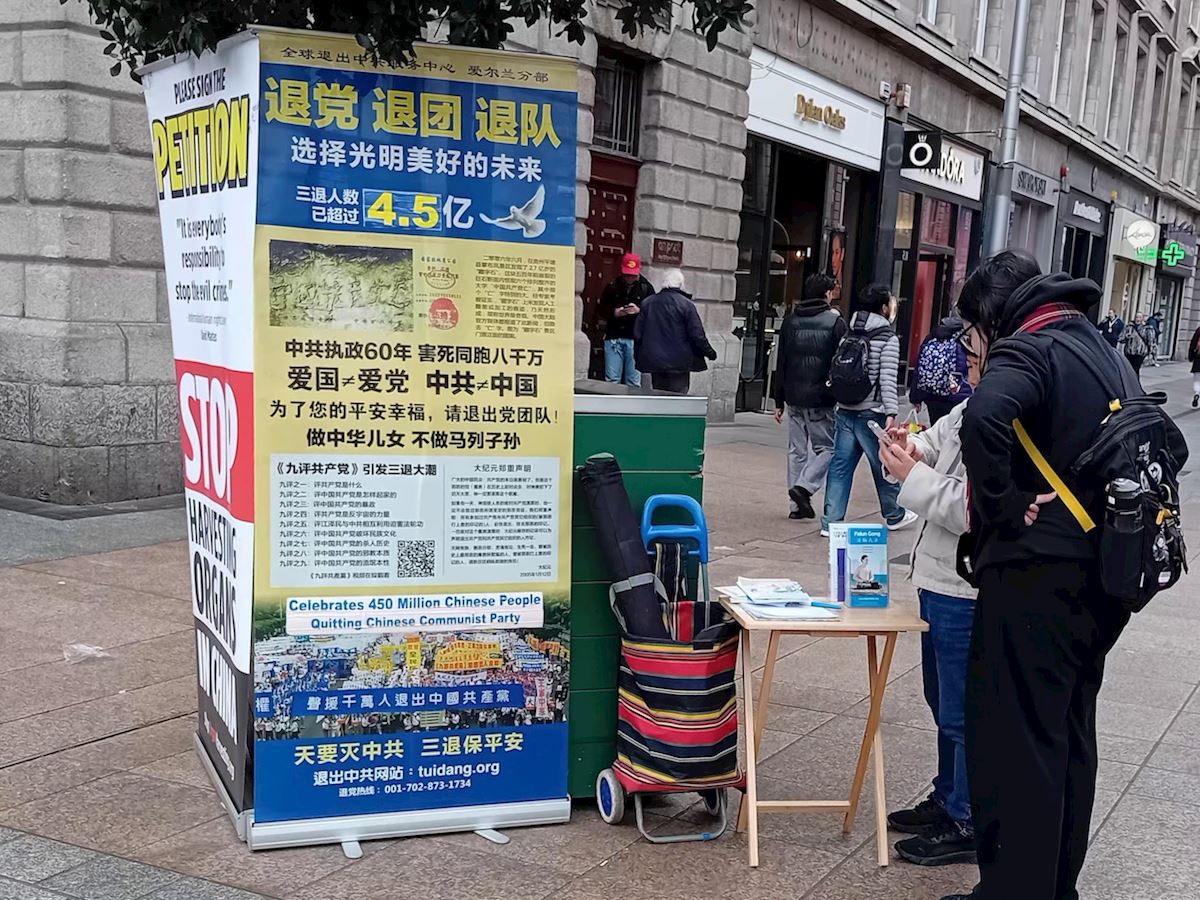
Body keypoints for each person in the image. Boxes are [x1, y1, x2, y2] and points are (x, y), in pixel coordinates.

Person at [951, 250, 1132, 900]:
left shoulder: (1027, 346)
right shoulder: (1094, 342)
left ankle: (1013, 891)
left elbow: (983, 417)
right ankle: (1055, 888)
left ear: (991, 318)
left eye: (971, 333)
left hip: (1037, 579)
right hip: (1103, 575)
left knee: (1016, 745)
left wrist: (1001, 507)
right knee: (1068, 737)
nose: (971, 347)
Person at [880, 322, 983, 870]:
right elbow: (936, 440)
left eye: (973, 354)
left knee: (961, 710)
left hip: (965, 584)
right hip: (938, 578)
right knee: (941, 702)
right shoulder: (971, 405)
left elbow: (976, 509)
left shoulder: (1006, 408)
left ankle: (966, 817)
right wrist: (907, 446)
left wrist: (911, 476)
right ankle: (948, 797)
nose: (967, 365)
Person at [821, 283, 918, 535]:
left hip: (845, 408)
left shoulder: (849, 332)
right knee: (883, 463)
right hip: (871, 412)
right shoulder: (887, 338)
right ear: (884, 307)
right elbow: (887, 379)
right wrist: (891, 412)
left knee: (840, 466)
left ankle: (831, 521)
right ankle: (894, 513)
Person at [772, 273, 847, 519]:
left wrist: (778, 399)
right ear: (827, 294)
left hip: (793, 395)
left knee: (796, 451)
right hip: (821, 396)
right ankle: (804, 487)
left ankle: (796, 507)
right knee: (827, 448)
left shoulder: (790, 321)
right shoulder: (836, 323)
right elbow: (840, 362)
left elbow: (781, 362)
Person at [633, 268, 717, 394]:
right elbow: (697, 335)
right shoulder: (686, 305)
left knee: (659, 396)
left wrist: (639, 356)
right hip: (680, 362)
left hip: (655, 362)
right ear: (681, 285)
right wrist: (710, 352)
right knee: (678, 398)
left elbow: (637, 334)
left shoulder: (647, 303)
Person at [598, 252, 654, 386]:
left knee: (633, 381)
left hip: (635, 338)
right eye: (627, 274)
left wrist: (639, 310)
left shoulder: (646, 288)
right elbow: (600, 309)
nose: (629, 278)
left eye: (632, 275)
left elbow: (653, 313)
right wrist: (615, 313)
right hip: (614, 336)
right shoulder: (613, 286)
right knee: (612, 380)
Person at [909, 316, 972, 425]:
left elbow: (919, 368)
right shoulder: (964, 341)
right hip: (957, 396)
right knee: (956, 430)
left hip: (933, 396)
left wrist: (915, 398)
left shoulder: (931, 338)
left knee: (937, 429)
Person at [1190, 324, 1200, 407]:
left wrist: (1191, 356)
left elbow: (1193, 343)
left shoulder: (1199, 330)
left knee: (1197, 379)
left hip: (1198, 358)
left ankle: (1196, 393)